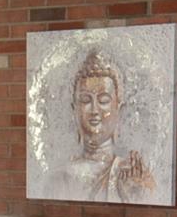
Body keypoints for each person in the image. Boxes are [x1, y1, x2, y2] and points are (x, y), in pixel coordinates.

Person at [42, 49, 157, 202]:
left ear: (119, 109)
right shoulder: (58, 178)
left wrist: (133, 194)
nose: (94, 110)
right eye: (85, 100)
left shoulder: (131, 174)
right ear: (74, 109)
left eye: (103, 100)